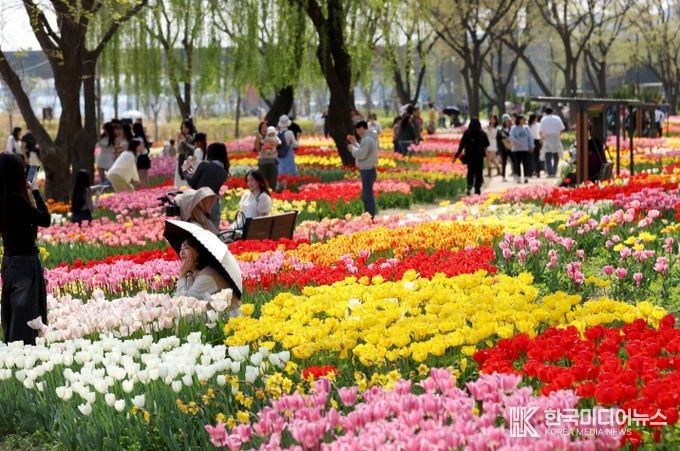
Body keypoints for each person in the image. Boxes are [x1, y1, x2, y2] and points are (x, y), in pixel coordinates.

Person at [0, 153, 50, 345]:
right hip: (25, 263)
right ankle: (22, 351)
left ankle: (12, 351)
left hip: (9, 262)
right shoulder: (17, 201)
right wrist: (35, 191)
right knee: (26, 316)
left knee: (14, 312)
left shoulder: (3, 199)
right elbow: (45, 219)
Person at [182, 142, 229, 229]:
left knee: (199, 232)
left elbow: (192, 183)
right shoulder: (224, 172)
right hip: (215, 204)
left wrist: (185, 170)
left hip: (201, 203)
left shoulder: (204, 165)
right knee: (213, 233)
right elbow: (205, 181)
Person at [347, 120, 378, 218]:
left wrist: (352, 149)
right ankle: (369, 215)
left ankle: (370, 216)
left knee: (367, 195)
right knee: (367, 194)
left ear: (361, 128)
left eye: (357, 130)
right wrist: (355, 143)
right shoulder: (369, 138)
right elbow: (362, 150)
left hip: (367, 170)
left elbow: (361, 154)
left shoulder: (367, 139)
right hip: (369, 169)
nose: (357, 132)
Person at [454, 118, 489, 195]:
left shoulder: (467, 133)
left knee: (470, 171)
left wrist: (456, 156)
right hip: (479, 156)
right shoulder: (482, 133)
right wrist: (487, 157)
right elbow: (486, 145)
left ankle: (469, 186)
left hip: (470, 155)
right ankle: (477, 189)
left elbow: (461, 146)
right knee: (479, 172)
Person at [539, 107, 565, 177]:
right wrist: (560, 136)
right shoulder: (557, 118)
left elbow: (541, 131)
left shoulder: (543, 119)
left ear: (545, 112)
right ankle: (554, 170)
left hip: (547, 137)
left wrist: (541, 139)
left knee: (548, 156)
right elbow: (562, 128)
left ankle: (549, 172)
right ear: (552, 112)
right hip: (556, 137)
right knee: (556, 155)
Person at [509, 115, 533, 184]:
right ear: (519, 120)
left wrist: (531, 146)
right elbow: (512, 137)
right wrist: (516, 142)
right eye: (522, 119)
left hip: (525, 149)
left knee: (525, 163)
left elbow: (530, 137)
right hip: (516, 149)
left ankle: (526, 177)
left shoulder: (526, 128)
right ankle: (518, 177)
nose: (523, 121)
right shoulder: (514, 128)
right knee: (517, 164)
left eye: (523, 120)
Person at [175, 118, 196, 187]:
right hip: (182, 158)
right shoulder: (180, 136)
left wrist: (186, 143)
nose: (184, 129)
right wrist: (179, 140)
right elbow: (177, 150)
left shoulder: (193, 137)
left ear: (189, 128)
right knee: (181, 177)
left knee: (189, 177)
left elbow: (194, 148)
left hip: (190, 159)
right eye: (183, 127)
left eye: (186, 127)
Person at [496, 114, 513, 181]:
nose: (509, 122)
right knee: (504, 162)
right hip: (503, 149)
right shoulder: (500, 130)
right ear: (504, 121)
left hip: (510, 148)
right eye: (508, 121)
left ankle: (516, 173)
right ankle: (503, 176)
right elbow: (503, 139)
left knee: (514, 160)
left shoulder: (511, 129)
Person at [528, 113, 542, 177]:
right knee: (537, 157)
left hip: (531, 141)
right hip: (537, 141)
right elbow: (541, 133)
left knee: (531, 157)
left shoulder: (529, 125)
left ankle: (532, 171)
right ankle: (537, 171)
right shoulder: (539, 124)